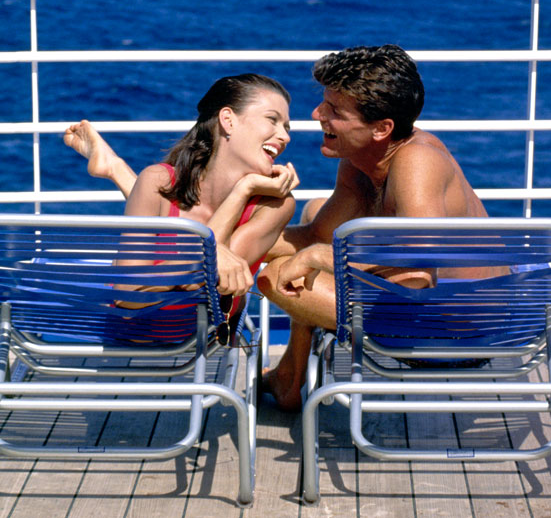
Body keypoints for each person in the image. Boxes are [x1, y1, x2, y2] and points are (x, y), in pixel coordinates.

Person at [255, 45, 492, 410]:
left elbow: (423, 249)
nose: (317, 114)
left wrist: (317, 257)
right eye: (324, 103)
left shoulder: (417, 161)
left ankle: (289, 376)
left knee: (277, 277)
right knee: (316, 216)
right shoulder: (361, 160)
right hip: (420, 300)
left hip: (457, 329)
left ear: (382, 128)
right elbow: (317, 235)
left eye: (334, 111)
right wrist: (227, 240)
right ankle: (290, 377)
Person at [64, 73, 299, 311]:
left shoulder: (276, 205)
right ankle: (114, 167)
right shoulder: (158, 180)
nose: (285, 136)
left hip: (197, 328)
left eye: (286, 127)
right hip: (139, 328)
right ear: (228, 120)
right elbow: (126, 296)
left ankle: (115, 168)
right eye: (272, 120)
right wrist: (241, 193)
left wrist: (243, 189)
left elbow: (207, 279)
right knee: (154, 190)